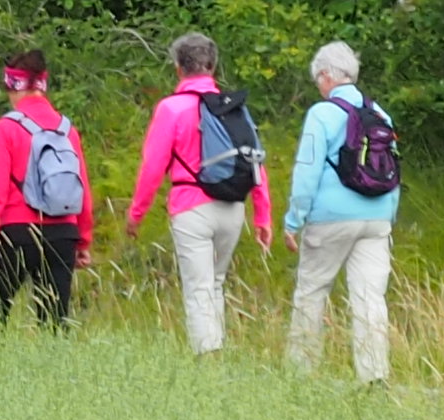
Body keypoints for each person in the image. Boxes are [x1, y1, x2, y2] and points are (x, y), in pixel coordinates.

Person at [123, 30, 273, 353]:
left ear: (179, 68)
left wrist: (136, 214)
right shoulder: (234, 107)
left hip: (191, 207)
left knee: (198, 288)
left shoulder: (171, 108)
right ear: (212, 66)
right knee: (215, 284)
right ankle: (216, 348)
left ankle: (208, 357)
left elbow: (153, 166)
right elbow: (256, 161)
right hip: (233, 208)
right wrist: (263, 216)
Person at [280, 40, 399, 385]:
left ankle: (300, 373)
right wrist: (387, 217)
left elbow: (307, 170)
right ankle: (374, 376)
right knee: (370, 298)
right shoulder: (380, 114)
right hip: (377, 218)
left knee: (312, 292)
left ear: (327, 75)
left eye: (318, 78)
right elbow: (394, 169)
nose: (319, 84)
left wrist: (294, 219)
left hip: (331, 218)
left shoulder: (322, 113)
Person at [0, 46, 93, 328]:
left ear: (13, 86)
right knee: (54, 323)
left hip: (18, 232)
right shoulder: (67, 129)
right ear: (43, 85)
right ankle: (52, 370)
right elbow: (82, 189)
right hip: (63, 233)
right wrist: (83, 240)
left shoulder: (6, 128)